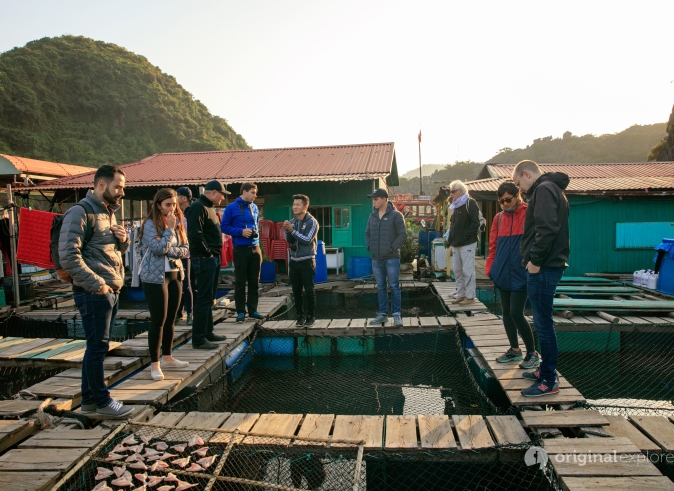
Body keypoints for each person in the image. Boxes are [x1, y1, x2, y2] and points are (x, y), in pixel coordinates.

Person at [59, 165, 132, 417]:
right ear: (101, 184)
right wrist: (98, 285)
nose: (122, 192)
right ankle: (102, 401)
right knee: (97, 348)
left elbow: (107, 252)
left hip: (109, 290)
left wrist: (123, 241)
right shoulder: (80, 212)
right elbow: (69, 256)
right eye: (118, 187)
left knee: (96, 347)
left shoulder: (108, 213)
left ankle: (89, 400)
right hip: (94, 292)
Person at [512, 160, 570, 397]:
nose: (520, 190)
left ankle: (548, 380)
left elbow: (547, 229)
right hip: (547, 265)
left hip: (544, 267)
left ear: (527, 174)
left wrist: (535, 261)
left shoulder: (544, 190)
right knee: (542, 322)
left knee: (543, 324)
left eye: (519, 183)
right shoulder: (551, 188)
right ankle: (545, 370)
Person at [138, 188, 190, 381]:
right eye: (168, 204)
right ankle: (155, 364)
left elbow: (185, 248)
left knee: (171, 318)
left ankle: (167, 356)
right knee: (158, 319)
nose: (172, 208)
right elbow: (158, 249)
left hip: (175, 273)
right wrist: (168, 231)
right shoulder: (150, 224)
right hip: (154, 277)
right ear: (159, 205)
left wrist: (169, 247)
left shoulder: (178, 222)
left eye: (174, 204)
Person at [485, 182, 539, 369]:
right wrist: (491, 268)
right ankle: (515, 350)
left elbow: (538, 240)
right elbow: (492, 245)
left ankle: (532, 353)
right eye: (501, 201)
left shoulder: (529, 213)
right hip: (502, 272)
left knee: (516, 312)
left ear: (518, 195)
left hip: (521, 272)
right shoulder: (499, 218)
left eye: (508, 199)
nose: (505, 204)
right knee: (506, 313)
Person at [186, 180, 229, 349]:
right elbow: (195, 234)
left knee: (210, 297)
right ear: (213, 192)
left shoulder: (210, 207)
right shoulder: (198, 207)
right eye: (222, 194)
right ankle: (198, 338)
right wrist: (208, 253)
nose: (223, 197)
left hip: (213, 258)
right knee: (203, 298)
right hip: (205, 258)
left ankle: (208, 331)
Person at [221, 182, 264, 323]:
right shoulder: (231, 207)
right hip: (240, 249)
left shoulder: (254, 207)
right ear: (244, 192)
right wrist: (240, 232)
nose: (255, 195)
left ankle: (253, 310)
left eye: (255, 193)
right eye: (252, 192)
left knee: (254, 281)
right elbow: (224, 227)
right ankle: (240, 312)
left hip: (255, 248)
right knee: (240, 281)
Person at [365, 188, 407, 327]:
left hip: (391, 258)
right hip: (376, 258)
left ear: (384, 199)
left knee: (394, 286)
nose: (374, 202)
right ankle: (382, 314)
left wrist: (392, 248)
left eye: (376, 199)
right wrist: (370, 247)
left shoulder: (396, 215)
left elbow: (402, 234)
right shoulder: (372, 216)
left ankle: (396, 315)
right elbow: (367, 233)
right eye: (373, 199)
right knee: (381, 287)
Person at [284, 194, 319, 327]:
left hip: (307, 261)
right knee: (296, 291)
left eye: (298, 205)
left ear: (305, 206)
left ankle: (311, 316)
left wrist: (292, 231)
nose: (295, 207)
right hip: (294, 261)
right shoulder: (292, 221)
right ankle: (300, 316)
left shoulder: (312, 222)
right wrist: (287, 231)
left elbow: (307, 240)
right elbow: (289, 240)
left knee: (309, 290)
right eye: (294, 204)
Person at [446, 180, 480, 305]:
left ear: (460, 191)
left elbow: (475, 222)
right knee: (457, 270)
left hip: (467, 243)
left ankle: (470, 297)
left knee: (468, 270)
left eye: (453, 191)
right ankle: (461, 294)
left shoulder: (470, 203)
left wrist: (466, 236)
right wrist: (450, 239)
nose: (451, 194)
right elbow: (453, 224)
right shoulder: (455, 206)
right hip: (456, 243)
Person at [175, 186, 194, 325]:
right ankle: (178, 313)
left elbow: (187, 237)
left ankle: (190, 313)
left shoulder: (186, 217)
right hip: (172, 256)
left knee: (186, 285)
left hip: (185, 255)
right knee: (176, 286)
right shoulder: (169, 217)